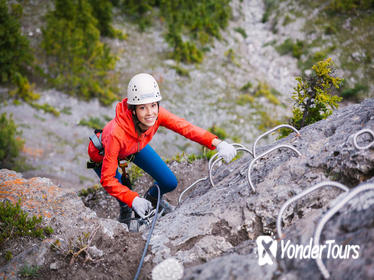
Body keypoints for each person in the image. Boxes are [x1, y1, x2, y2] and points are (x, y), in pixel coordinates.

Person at [87, 73, 237, 225]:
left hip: (133, 146)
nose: (150, 113)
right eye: (142, 108)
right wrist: (132, 199)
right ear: (133, 110)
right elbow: (107, 179)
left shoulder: (158, 115)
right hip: (103, 154)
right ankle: (127, 210)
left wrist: (217, 143)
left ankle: (150, 202)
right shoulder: (116, 134)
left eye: (153, 105)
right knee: (123, 192)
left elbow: (185, 128)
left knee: (169, 182)